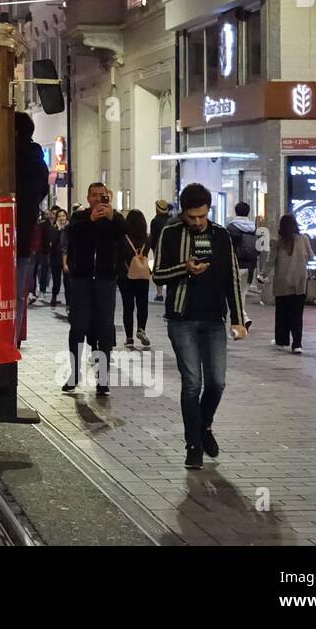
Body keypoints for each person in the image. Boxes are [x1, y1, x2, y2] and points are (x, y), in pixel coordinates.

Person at [152, 182, 248, 470]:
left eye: (201, 216)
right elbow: (157, 275)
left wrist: (238, 319)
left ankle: (204, 426)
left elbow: (232, 277)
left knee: (217, 382)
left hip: (213, 319)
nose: (196, 222)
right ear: (183, 212)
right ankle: (193, 444)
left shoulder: (220, 235)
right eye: (191, 217)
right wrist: (185, 268)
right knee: (192, 382)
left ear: (208, 211)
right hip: (181, 319)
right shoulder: (170, 232)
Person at [62, 182, 128, 397]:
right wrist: (91, 220)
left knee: (105, 329)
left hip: (105, 280)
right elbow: (73, 233)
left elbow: (122, 232)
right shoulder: (80, 217)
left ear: (108, 197)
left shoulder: (115, 218)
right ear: (88, 197)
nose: (99, 199)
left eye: (102, 195)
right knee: (77, 327)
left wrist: (109, 218)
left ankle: (103, 378)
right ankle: (74, 374)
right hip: (82, 279)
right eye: (95, 195)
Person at [13, 113, 50, 348]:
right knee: (18, 291)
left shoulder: (10, 155)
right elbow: (43, 188)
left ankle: (8, 337)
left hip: (8, 231)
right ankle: (12, 338)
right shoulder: (36, 157)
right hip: (24, 231)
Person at [272, 214, 314, 353]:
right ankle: (297, 344)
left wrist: (263, 275)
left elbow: (271, 261)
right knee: (297, 315)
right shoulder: (304, 239)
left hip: (282, 283)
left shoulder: (278, 242)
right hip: (299, 283)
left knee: (282, 313)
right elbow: (311, 256)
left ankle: (282, 341)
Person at [119, 208, 152, 349]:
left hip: (126, 276)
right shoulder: (147, 238)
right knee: (142, 304)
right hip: (142, 276)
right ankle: (141, 329)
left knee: (128, 307)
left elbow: (119, 256)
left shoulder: (123, 238)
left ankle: (129, 338)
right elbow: (145, 253)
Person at [227, 201, 260, 287]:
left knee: (236, 292)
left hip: (236, 264)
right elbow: (258, 249)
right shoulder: (254, 228)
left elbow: (226, 248)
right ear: (248, 213)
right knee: (244, 291)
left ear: (236, 212)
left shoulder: (231, 227)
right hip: (251, 265)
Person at [149, 199, 172, 302]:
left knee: (158, 270)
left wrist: (153, 249)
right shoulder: (172, 219)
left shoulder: (155, 221)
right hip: (171, 248)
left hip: (158, 249)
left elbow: (153, 238)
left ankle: (159, 294)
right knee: (170, 269)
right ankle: (170, 292)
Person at [45, 208, 66, 308]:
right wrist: (58, 229)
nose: (62, 218)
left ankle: (69, 304)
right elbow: (52, 242)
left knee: (68, 282)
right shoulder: (53, 228)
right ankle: (54, 296)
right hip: (55, 258)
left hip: (66, 258)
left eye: (63, 216)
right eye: (60, 216)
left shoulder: (69, 228)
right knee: (57, 281)